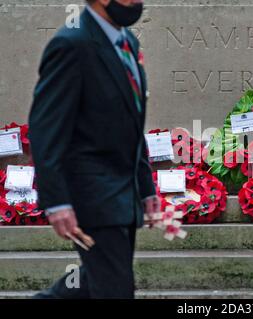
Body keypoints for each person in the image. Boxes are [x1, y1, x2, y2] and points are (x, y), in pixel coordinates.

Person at [28, 0, 161, 299]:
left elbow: (131, 122)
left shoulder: (127, 41)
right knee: (115, 288)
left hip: (121, 196)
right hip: (91, 195)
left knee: (93, 282)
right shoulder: (71, 44)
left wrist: (146, 187)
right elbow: (45, 128)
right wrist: (56, 201)